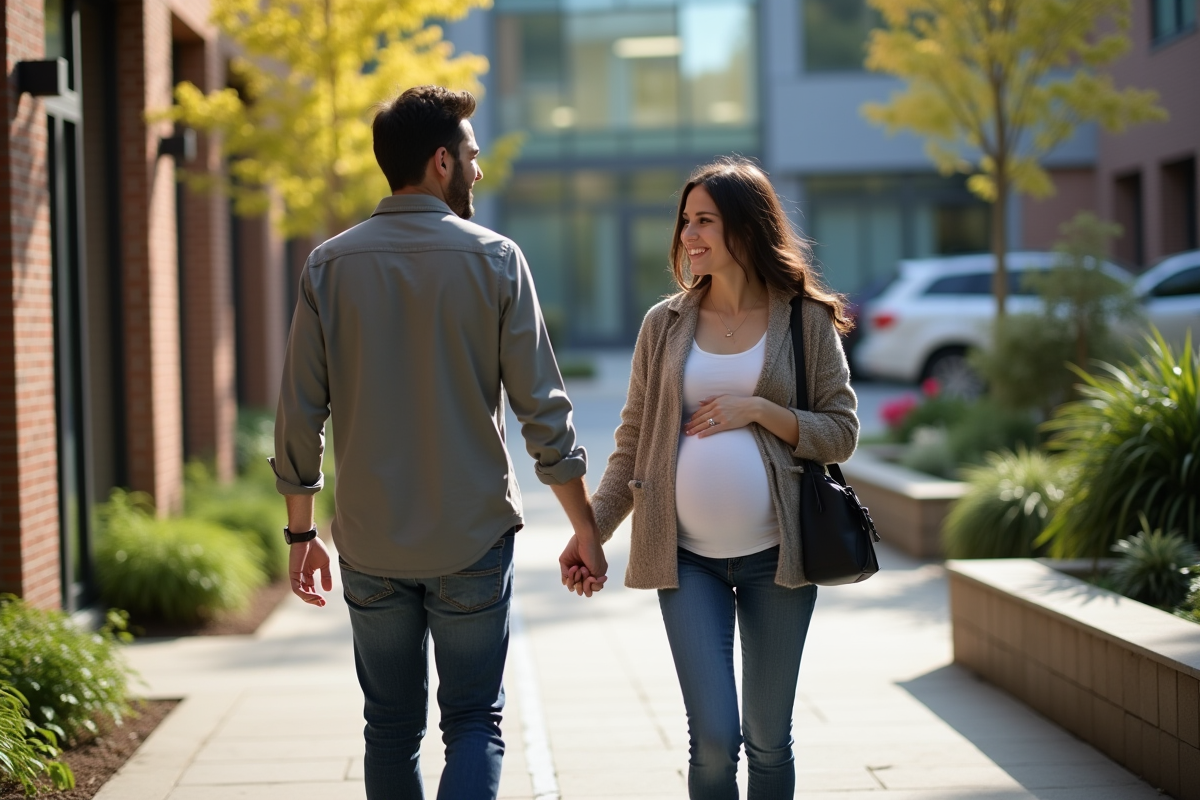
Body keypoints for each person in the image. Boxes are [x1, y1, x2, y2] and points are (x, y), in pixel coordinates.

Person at [272, 85, 607, 800]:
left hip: (370, 540)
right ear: (440, 162)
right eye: (473, 156)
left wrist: (300, 534)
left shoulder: (328, 266)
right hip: (472, 536)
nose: (479, 171)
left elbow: (300, 411)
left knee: (389, 726)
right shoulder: (496, 259)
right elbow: (542, 410)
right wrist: (586, 527)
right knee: (474, 723)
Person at [560, 156, 859, 799]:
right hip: (688, 561)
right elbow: (633, 443)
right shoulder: (663, 325)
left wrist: (760, 410)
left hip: (780, 557)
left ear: (746, 230)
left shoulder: (805, 319)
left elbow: (841, 431)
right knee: (716, 741)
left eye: (704, 221)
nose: (688, 236)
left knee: (769, 739)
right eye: (685, 221)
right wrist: (592, 530)